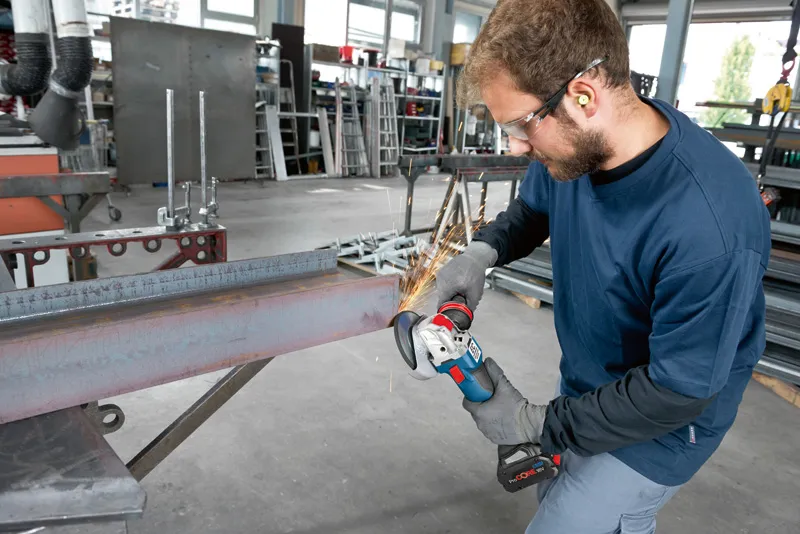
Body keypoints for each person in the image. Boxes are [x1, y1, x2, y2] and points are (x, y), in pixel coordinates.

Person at [435, 0, 772, 532]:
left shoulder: (709, 222)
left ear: (584, 96)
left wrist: (537, 422)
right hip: (588, 389)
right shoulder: (572, 152)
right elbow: (533, 210)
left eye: (521, 125)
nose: (516, 147)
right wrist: (486, 250)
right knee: (559, 495)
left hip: (660, 428)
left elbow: (678, 390)